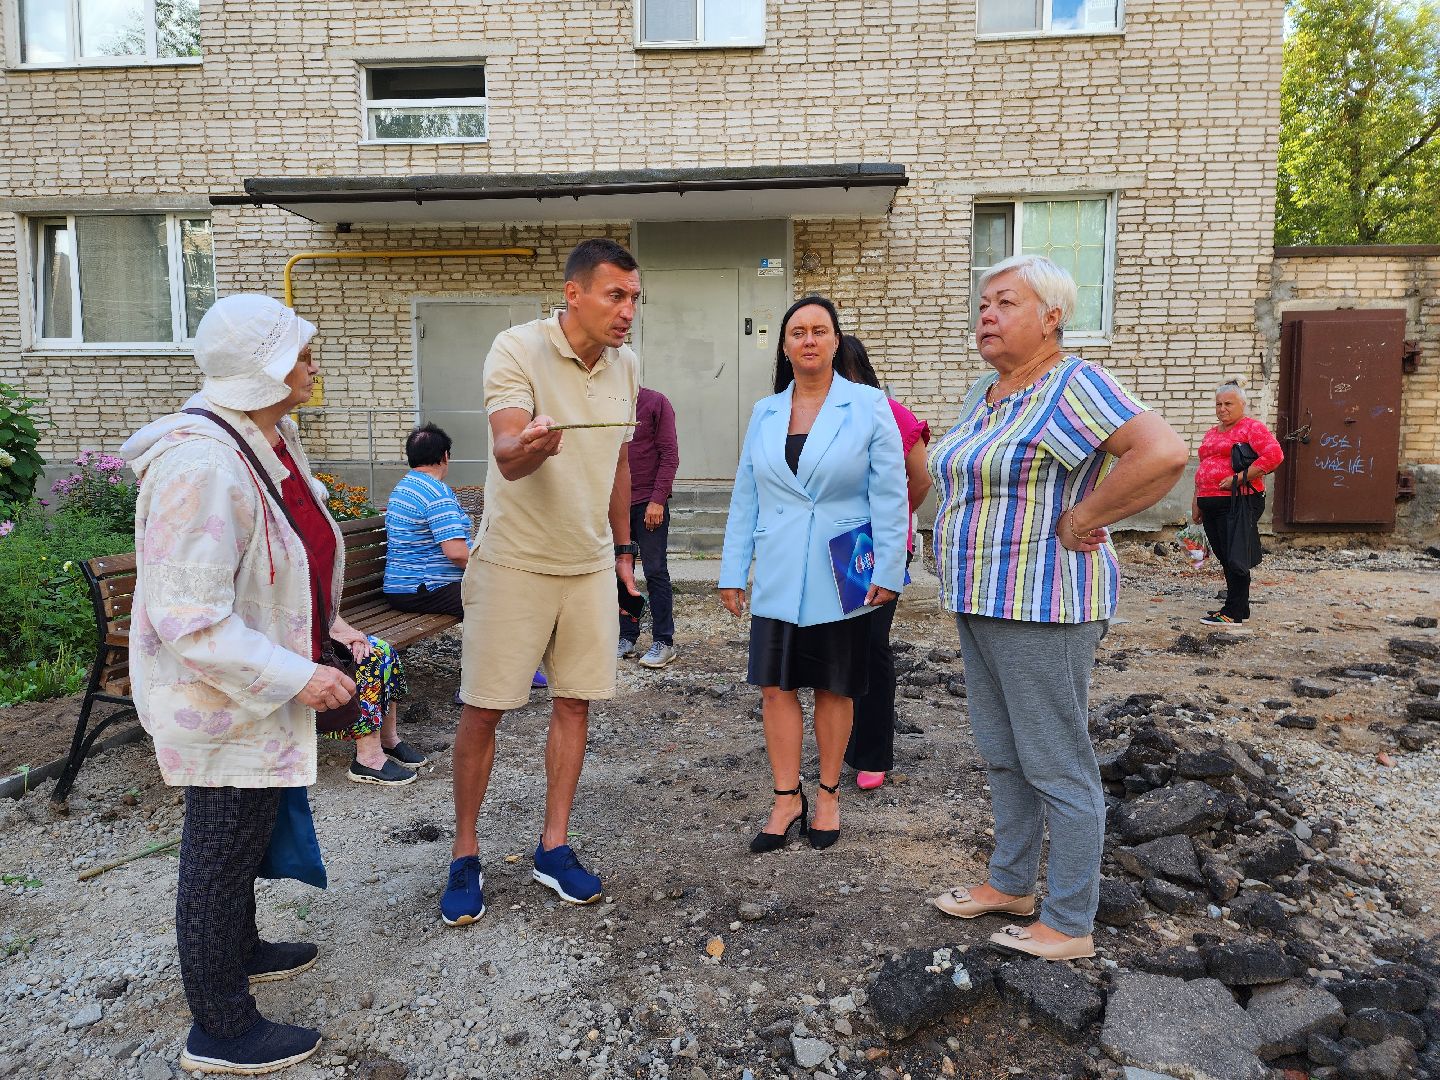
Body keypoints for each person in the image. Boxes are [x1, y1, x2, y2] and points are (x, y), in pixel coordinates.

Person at [120, 294, 360, 1073]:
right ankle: (220, 1029)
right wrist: (299, 674)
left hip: (253, 692)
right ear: (259, 370)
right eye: (298, 352)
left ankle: (243, 948)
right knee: (217, 856)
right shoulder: (201, 465)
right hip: (222, 700)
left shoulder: (263, 436)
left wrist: (332, 629)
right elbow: (192, 619)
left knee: (248, 833)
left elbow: (288, 556)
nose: (312, 363)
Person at [927, 255, 1187, 961]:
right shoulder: (988, 390)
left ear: (1052, 316)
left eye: (1005, 302)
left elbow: (1162, 453)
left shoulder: (1074, 383)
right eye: (983, 303)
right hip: (979, 597)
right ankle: (1010, 884)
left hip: (1043, 602)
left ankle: (1070, 920)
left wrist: (1087, 515)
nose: (987, 314)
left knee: (1056, 760)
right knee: (1004, 753)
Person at [440, 239, 642, 926]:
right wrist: (527, 447)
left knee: (576, 703)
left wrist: (623, 549)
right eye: (617, 295)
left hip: (587, 565)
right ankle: (464, 852)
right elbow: (506, 449)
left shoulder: (627, 366)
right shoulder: (517, 348)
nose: (628, 311)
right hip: (515, 562)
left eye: (635, 298)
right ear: (575, 293)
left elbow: (618, 462)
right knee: (485, 707)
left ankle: (553, 847)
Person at [718, 296, 908, 855]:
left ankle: (827, 794)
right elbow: (746, 494)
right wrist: (733, 570)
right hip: (778, 561)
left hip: (846, 559)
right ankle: (785, 797)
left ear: (835, 341)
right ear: (784, 345)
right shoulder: (765, 412)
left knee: (835, 683)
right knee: (775, 685)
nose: (808, 340)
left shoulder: (870, 406)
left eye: (819, 330)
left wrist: (889, 568)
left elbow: (891, 496)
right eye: (797, 331)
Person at [835, 336, 931, 792]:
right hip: (829, 544)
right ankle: (838, 740)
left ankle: (872, 752)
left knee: (871, 644)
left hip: (873, 545)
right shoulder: (815, 415)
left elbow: (920, 479)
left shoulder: (891, 414)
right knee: (836, 643)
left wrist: (886, 525)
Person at [384, 422, 547, 691]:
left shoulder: (405, 487)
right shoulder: (436, 494)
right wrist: (495, 567)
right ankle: (479, 684)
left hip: (404, 586)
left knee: (500, 591)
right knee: (498, 598)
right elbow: (457, 554)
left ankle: (513, 670)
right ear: (445, 456)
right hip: (423, 587)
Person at [1191, 381, 1284, 626]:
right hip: (1210, 502)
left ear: (1242, 404)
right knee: (1224, 556)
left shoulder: (1251, 428)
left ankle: (1232, 612)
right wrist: (1196, 501)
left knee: (1236, 556)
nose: (1222, 408)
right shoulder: (1212, 432)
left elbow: (1274, 455)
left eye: (1228, 403)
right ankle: (1238, 609)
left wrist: (1239, 479)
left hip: (1239, 501)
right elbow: (1203, 468)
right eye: (1218, 404)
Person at [619, 385, 680, 668]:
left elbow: (669, 455)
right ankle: (627, 636)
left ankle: (664, 641)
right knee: (622, 572)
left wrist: (658, 500)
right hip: (617, 504)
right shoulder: (608, 404)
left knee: (655, 571)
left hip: (648, 503)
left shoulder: (656, 402)